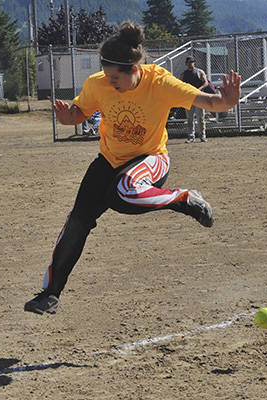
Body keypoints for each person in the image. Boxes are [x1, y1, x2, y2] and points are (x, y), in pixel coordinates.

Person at [24, 22, 241, 315]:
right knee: (77, 222)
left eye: (116, 77)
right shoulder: (97, 84)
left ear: (134, 68)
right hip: (109, 161)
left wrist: (226, 101)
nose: (110, 81)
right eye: (107, 75)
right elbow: (78, 114)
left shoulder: (160, 83)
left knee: (124, 192)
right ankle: (50, 295)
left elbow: (208, 102)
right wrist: (66, 118)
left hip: (150, 158)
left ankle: (184, 198)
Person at [181, 56, 210, 143]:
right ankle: (191, 136)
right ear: (186, 64)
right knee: (190, 118)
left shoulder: (199, 72)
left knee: (200, 117)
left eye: (192, 62)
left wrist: (199, 89)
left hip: (199, 97)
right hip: (189, 98)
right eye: (189, 62)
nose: (191, 63)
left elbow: (206, 83)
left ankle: (202, 135)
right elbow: (180, 84)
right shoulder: (184, 74)